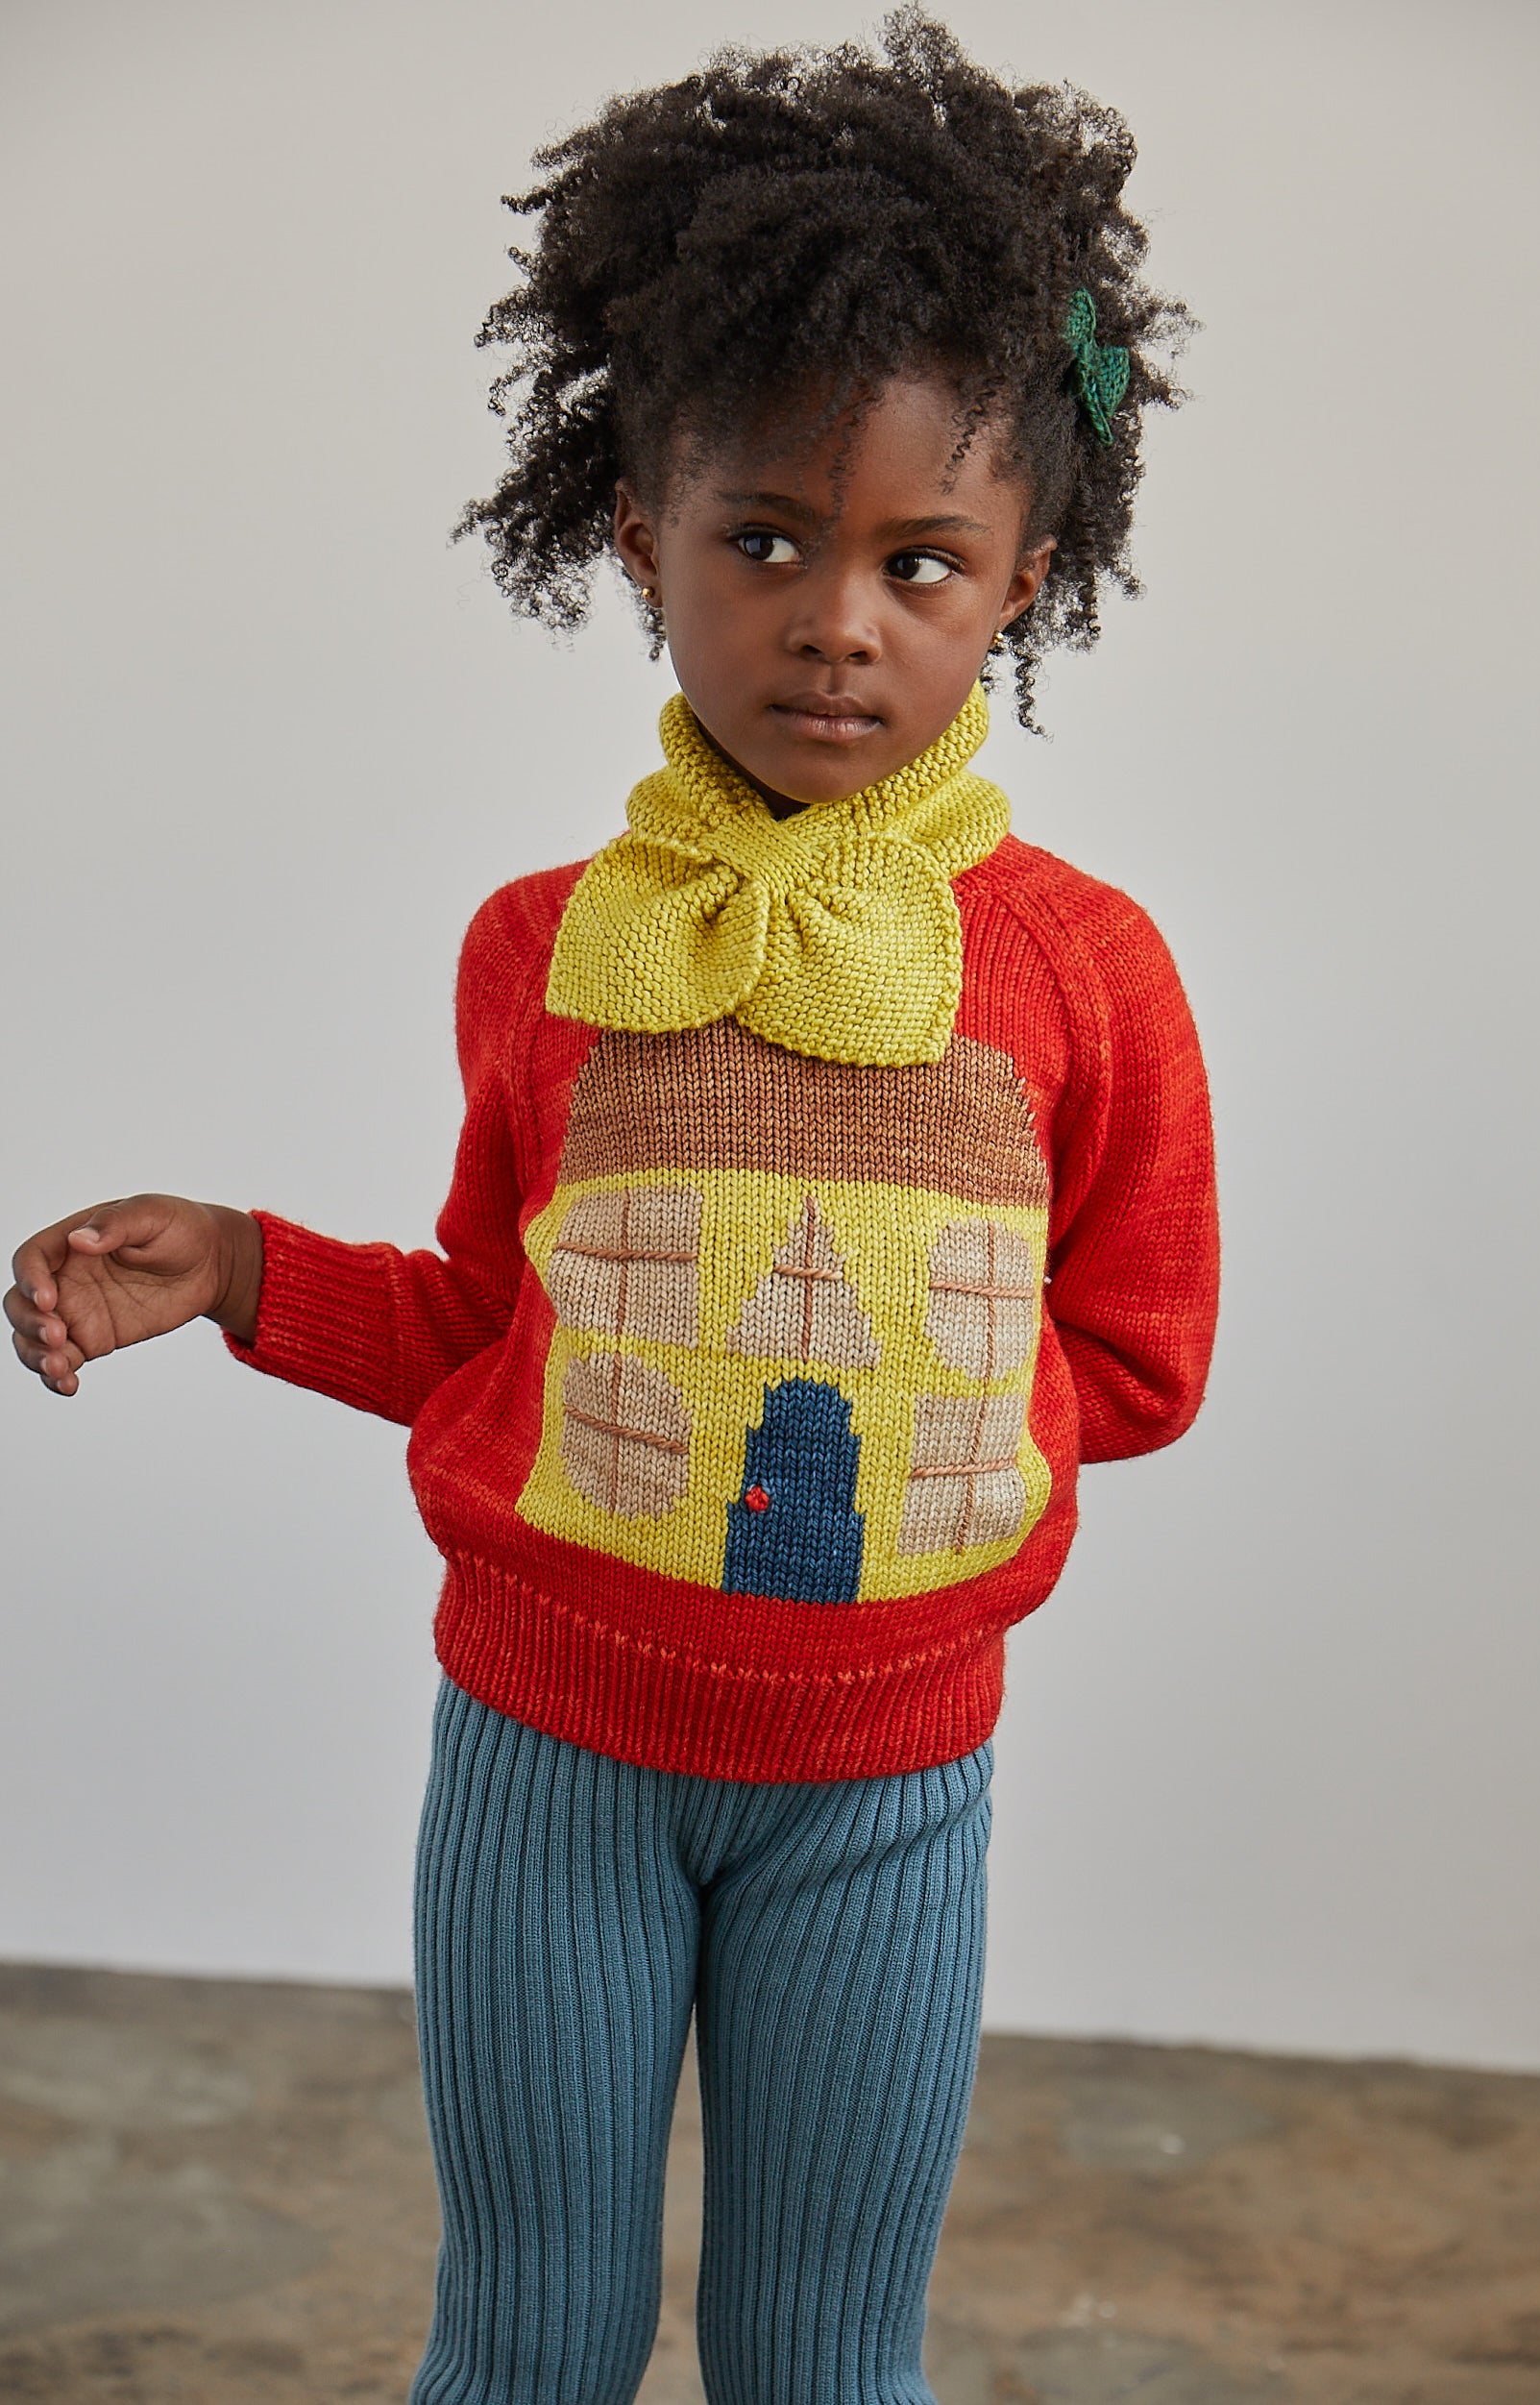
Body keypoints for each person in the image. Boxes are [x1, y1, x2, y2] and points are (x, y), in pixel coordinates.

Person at [6, 14, 1219, 2402]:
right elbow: (492, 1324)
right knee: (527, 2335)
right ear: (636, 534)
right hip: (541, 1767)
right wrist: (240, 1267)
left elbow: (1135, 1361)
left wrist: (918, 1473)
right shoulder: (539, 950)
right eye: (762, 538)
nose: (835, 616)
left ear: (1022, 582)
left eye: (918, 561)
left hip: (889, 1791)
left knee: (820, 2355)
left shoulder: (1086, 973)